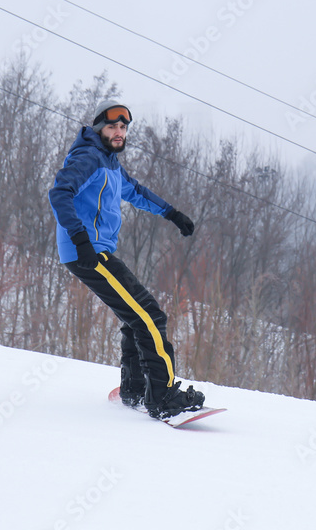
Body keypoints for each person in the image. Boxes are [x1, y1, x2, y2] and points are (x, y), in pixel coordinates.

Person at [48, 101, 204, 419]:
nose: (119, 132)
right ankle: (161, 395)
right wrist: (79, 238)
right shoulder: (88, 156)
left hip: (97, 251)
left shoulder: (110, 162)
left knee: (139, 315)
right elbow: (59, 192)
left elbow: (136, 191)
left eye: (123, 127)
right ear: (98, 128)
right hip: (86, 251)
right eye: (112, 127)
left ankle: (134, 388)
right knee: (150, 317)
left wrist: (172, 213)